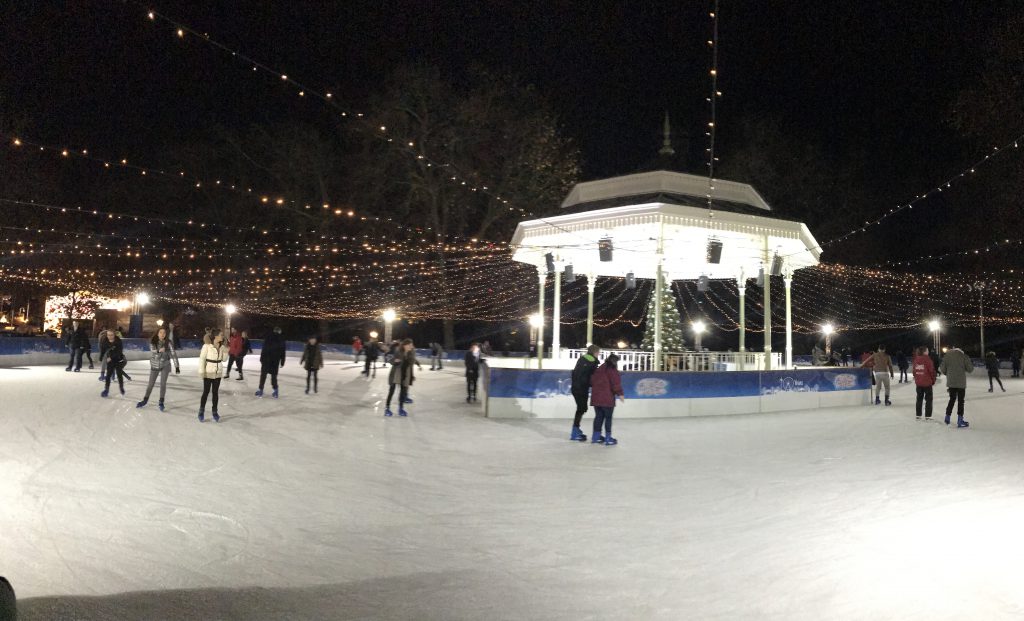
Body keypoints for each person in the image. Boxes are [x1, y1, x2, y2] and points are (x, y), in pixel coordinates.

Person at [137, 327, 180, 411]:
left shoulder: (169, 342)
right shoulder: (153, 341)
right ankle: (145, 400)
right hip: (155, 365)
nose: (162, 334)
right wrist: (159, 350)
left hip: (165, 365)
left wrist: (177, 366)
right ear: (157, 333)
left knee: (163, 384)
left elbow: (173, 354)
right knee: (150, 384)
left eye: (164, 333)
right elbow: (152, 350)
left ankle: (161, 401)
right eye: (161, 332)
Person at [589, 353, 624, 445]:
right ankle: (608, 438)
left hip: (596, 398)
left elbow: (592, 381)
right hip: (607, 399)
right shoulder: (612, 370)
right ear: (614, 362)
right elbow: (615, 383)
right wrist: (620, 394)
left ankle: (596, 437)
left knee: (598, 417)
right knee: (608, 418)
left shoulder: (599, 368)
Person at [569, 345, 600, 441]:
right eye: (598, 353)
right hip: (582, 388)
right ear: (595, 352)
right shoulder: (593, 362)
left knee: (581, 408)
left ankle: (576, 430)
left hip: (575, 387)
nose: (598, 354)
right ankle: (574, 432)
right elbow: (593, 376)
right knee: (581, 409)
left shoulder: (582, 359)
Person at [939, 345, 974, 428]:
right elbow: (970, 369)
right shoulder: (964, 356)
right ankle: (960, 420)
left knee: (952, 399)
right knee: (961, 401)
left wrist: (949, 374)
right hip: (961, 383)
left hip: (951, 382)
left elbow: (942, 369)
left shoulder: (947, 356)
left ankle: (947, 417)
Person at [198, 328, 226, 422]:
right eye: (221, 334)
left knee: (215, 393)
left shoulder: (222, 347)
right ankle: (201, 411)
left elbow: (224, 359)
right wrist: (202, 371)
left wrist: (226, 352)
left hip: (218, 373)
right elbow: (202, 359)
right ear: (216, 336)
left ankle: (215, 411)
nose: (223, 336)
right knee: (206, 392)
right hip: (208, 372)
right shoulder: (207, 346)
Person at [385, 338, 416, 416]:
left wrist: (412, 376)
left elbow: (411, 365)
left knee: (403, 392)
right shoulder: (398, 352)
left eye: (411, 345)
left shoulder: (411, 353)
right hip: (396, 373)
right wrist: (395, 361)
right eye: (409, 345)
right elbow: (390, 360)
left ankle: (400, 408)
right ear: (405, 345)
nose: (411, 346)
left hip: (405, 374)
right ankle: (387, 408)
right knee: (391, 391)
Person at [256, 326, 286, 398]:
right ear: (279, 331)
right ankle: (276, 391)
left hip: (266, 359)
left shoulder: (268, 337)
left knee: (263, 376)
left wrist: (261, 358)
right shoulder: (282, 339)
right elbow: (283, 352)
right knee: (274, 377)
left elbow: (264, 348)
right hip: (275, 361)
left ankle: (260, 391)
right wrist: (282, 362)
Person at [912, 345, 936, 420]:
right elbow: (931, 371)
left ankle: (918, 415)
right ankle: (928, 416)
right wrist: (933, 380)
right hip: (927, 383)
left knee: (919, 398)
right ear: (924, 351)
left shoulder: (916, 359)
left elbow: (914, 371)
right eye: (927, 350)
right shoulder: (927, 359)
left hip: (919, 383)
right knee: (928, 399)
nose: (928, 351)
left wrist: (917, 378)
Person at [100, 329, 126, 398]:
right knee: (108, 375)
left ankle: (121, 388)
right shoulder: (105, 341)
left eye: (111, 335)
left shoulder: (118, 341)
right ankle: (106, 389)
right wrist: (101, 357)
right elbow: (103, 349)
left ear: (114, 335)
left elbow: (119, 352)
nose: (110, 336)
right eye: (108, 335)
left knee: (119, 374)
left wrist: (111, 357)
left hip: (118, 359)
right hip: (110, 361)